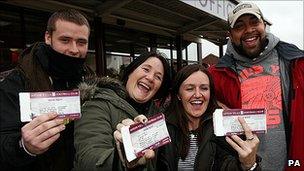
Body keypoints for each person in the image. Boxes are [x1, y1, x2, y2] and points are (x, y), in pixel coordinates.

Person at [208, 2, 304, 170]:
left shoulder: (295, 62)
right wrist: (214, 109)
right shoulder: (217, 75)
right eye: (239, 26)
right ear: (230, 34)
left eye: (254, 22)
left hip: (293, 163)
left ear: (264, 25)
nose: (249, 30)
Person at [0, 9, 93, 170]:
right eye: (65, 40)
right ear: (48, 37)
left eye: (81, 42)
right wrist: (23, 147)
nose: (74, 49)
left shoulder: (90, 79)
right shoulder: (17, 82)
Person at [73, 51, 171, 170]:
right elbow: (89, 160)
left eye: (158, 77)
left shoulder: (156, 117)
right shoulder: (97, 104)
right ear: (130, 72)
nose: (150, 78)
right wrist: (123, 159)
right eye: (146, 69)